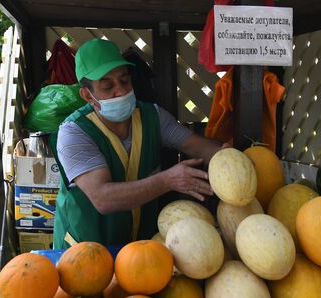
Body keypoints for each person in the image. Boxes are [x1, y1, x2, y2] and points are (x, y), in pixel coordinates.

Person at [50, 39, 223, 249]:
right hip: (86, 254)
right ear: (87, 95)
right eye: (107, 86)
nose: (121, 91)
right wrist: (168, 180)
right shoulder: (74, 133)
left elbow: (200, 147)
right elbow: (102, 198)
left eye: (124, 80)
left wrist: (227, 156)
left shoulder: (152, 117)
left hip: (139, 251)